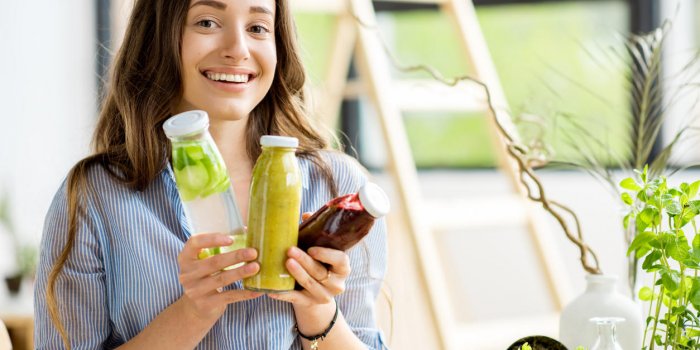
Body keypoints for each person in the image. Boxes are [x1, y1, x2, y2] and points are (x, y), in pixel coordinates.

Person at [33, 0, 388, 349]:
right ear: (158, 36)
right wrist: (192, 313)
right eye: (206, 22)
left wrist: (319, 313)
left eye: (257, 28)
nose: (238, 49)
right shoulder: (92, 200)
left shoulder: (340, 190)